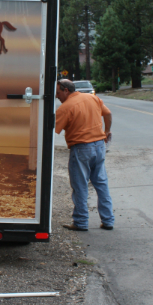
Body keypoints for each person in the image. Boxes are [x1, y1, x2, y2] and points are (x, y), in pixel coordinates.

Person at [54, 79, 114, 231]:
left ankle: (80, 222)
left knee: (80, 186)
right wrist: (106, 132)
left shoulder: (65, 107)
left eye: (58, 93)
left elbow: (53, 130)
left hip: (81, 148)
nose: (57, 96)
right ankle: (108, 221)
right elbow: (107, 114)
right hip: (99, 146)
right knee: (101, 183)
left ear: (66, 90)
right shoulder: (92, 98)